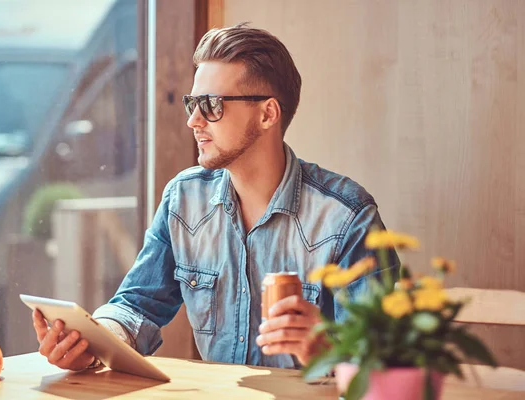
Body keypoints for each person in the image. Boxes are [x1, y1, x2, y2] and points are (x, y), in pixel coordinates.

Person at [32, 23, 399, 371]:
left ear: (267, 113)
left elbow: (381, 362)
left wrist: (325, 349)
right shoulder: (184, 198)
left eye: (211, 105)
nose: (194, 121)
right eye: (193, 103)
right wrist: (90, 344)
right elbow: (136, 306)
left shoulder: (347, 217)